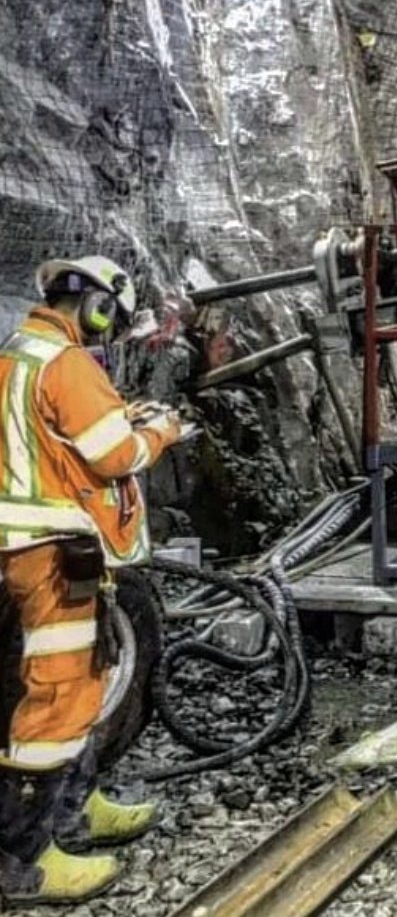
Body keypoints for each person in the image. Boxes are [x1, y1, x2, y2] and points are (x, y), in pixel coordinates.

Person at [0, 255, 184, 904]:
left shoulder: (19, 353)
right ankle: (23, 861)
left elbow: (55, 436)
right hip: (52, 552)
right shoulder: (67, 362)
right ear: (98, 306)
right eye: (112, 320)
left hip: (35, 547)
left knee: (86, 678)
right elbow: (116, 455)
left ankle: (77, 811)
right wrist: (159, 430)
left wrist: (118, 413)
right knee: (58, 695)